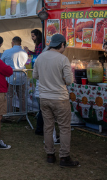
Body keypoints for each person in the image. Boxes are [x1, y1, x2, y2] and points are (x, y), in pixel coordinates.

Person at [32, 32, 79, 168]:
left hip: (44, 97)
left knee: (48, 127)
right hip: (59, 98)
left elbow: (35, 75)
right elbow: (69, 81)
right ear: (62, 45)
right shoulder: (62, 59)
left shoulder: (40, 57)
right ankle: (64, 157)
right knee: (64, 127)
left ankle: (50, 155)